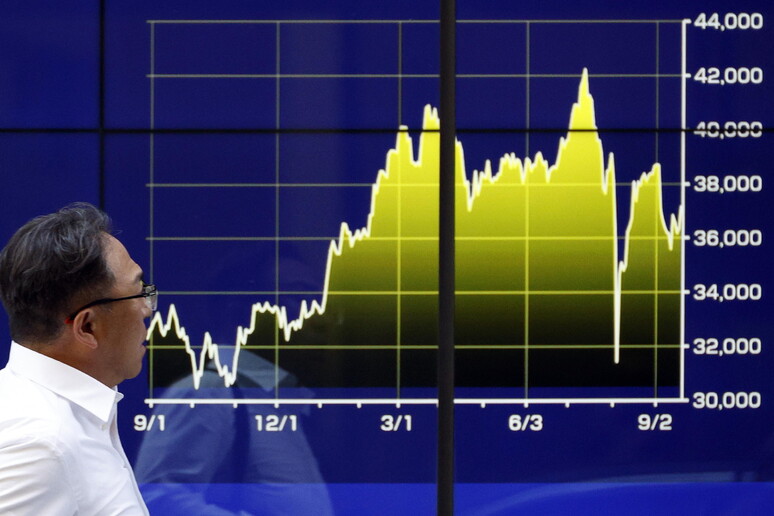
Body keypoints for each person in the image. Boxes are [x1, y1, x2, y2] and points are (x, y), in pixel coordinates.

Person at [0, 203, 153, 515]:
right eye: (138, 293)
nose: (147, 309)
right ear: (87, 327)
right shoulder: (40, 446)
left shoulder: (66, 419)